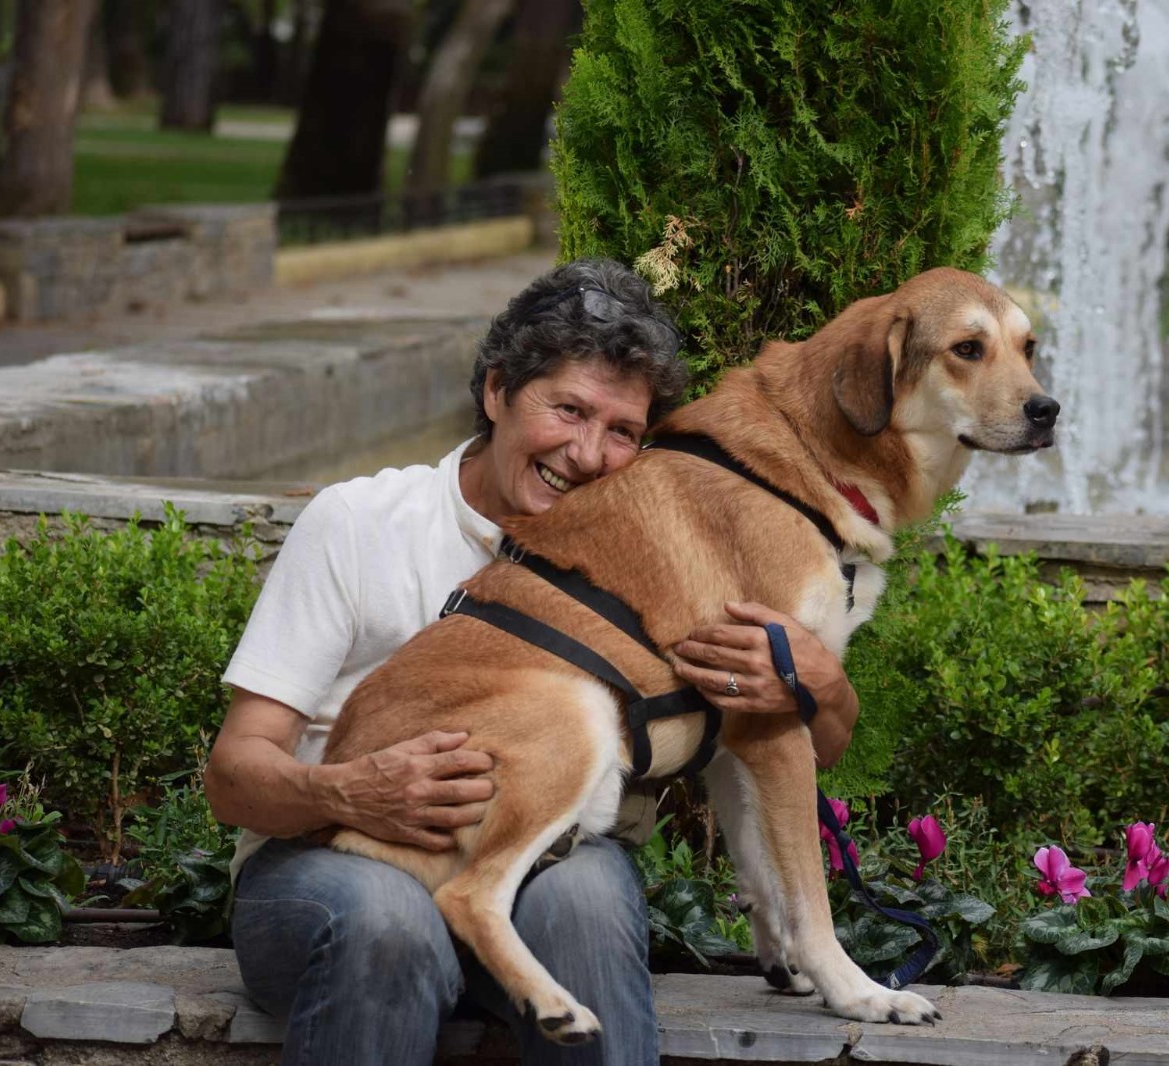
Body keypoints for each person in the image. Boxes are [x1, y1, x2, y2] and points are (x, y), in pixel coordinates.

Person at [203, 258, 862, 1066]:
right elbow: (232, 777)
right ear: (496, 392)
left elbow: (796, 745)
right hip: (327, 863)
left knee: (587, 902)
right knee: (388, 923)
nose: (587, 453)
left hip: (540, 862)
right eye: (569, 410)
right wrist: (349, 791)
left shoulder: (662, 555)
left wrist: (822, 685)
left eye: (622, 432)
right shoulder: (360, 521)